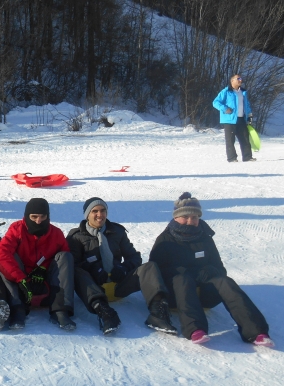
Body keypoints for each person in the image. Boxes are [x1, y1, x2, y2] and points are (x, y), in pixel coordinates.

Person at [149, 193, 273, 347]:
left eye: (194, 217)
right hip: (176, 295)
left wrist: (210, 270)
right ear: (176, 217)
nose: (190, 221)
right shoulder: (165, 239)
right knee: (183, 279)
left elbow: (220, 267)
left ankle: (256, 332)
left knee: (225, 282)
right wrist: (180, 271)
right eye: (185, 216)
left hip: (205, 296)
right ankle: (195, 329)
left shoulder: (205, 238)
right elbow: (154, 273)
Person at [66, 197, 176, 335]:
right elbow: (73, 264)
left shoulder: (117, 232)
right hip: (94, 287)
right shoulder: (76, 237)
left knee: (149, 267)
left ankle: (158, 313)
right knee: (76, 272)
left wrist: (123, 268)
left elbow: (134, 257)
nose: (99, 215)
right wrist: (94, 269)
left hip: (119, 284)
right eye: (95, 211)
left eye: (103, 210)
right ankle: (105, 313)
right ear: (87, 214)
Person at [0, 198, 74, 330]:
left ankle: (61, 310)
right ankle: (17, 309)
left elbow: (64, 263)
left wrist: (44, 269)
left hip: (46, 287)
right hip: (22, 287)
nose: (38, 221)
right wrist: (20, 278)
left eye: (43, 216)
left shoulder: (56, 234)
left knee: (65, 256)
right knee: (6, 258)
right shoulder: (17, 229)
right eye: (34, 217)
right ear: (26, 216)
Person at [212, 73, 255, 163]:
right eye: (238, 78)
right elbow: (215, 102)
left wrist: (249, 115)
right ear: (232, 81)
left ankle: (247, 157)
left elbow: (247, 105)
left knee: (245, 138)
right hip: (229, 120)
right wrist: (224, 109)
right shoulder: (226, 91)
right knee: (230, 140)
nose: (240, 80)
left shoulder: (243, 92)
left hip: (241, 119)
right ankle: (232, 158)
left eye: (241, 78)